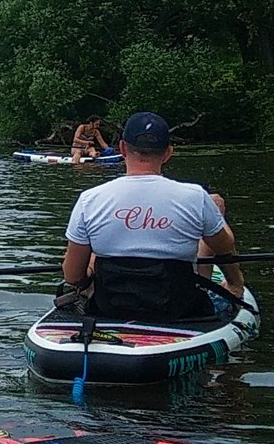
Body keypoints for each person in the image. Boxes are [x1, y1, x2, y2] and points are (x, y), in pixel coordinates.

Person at [58, 111, 245, 323]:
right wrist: (218, 214)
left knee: (92, 252)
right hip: (179, 311)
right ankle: (234, 286)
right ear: (167, 153)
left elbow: (72, 276)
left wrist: (87, 284)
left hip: (110, 309)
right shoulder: (196, 197)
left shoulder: (89, 200)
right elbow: (224, 248)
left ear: (122, 149)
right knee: (213, 220)